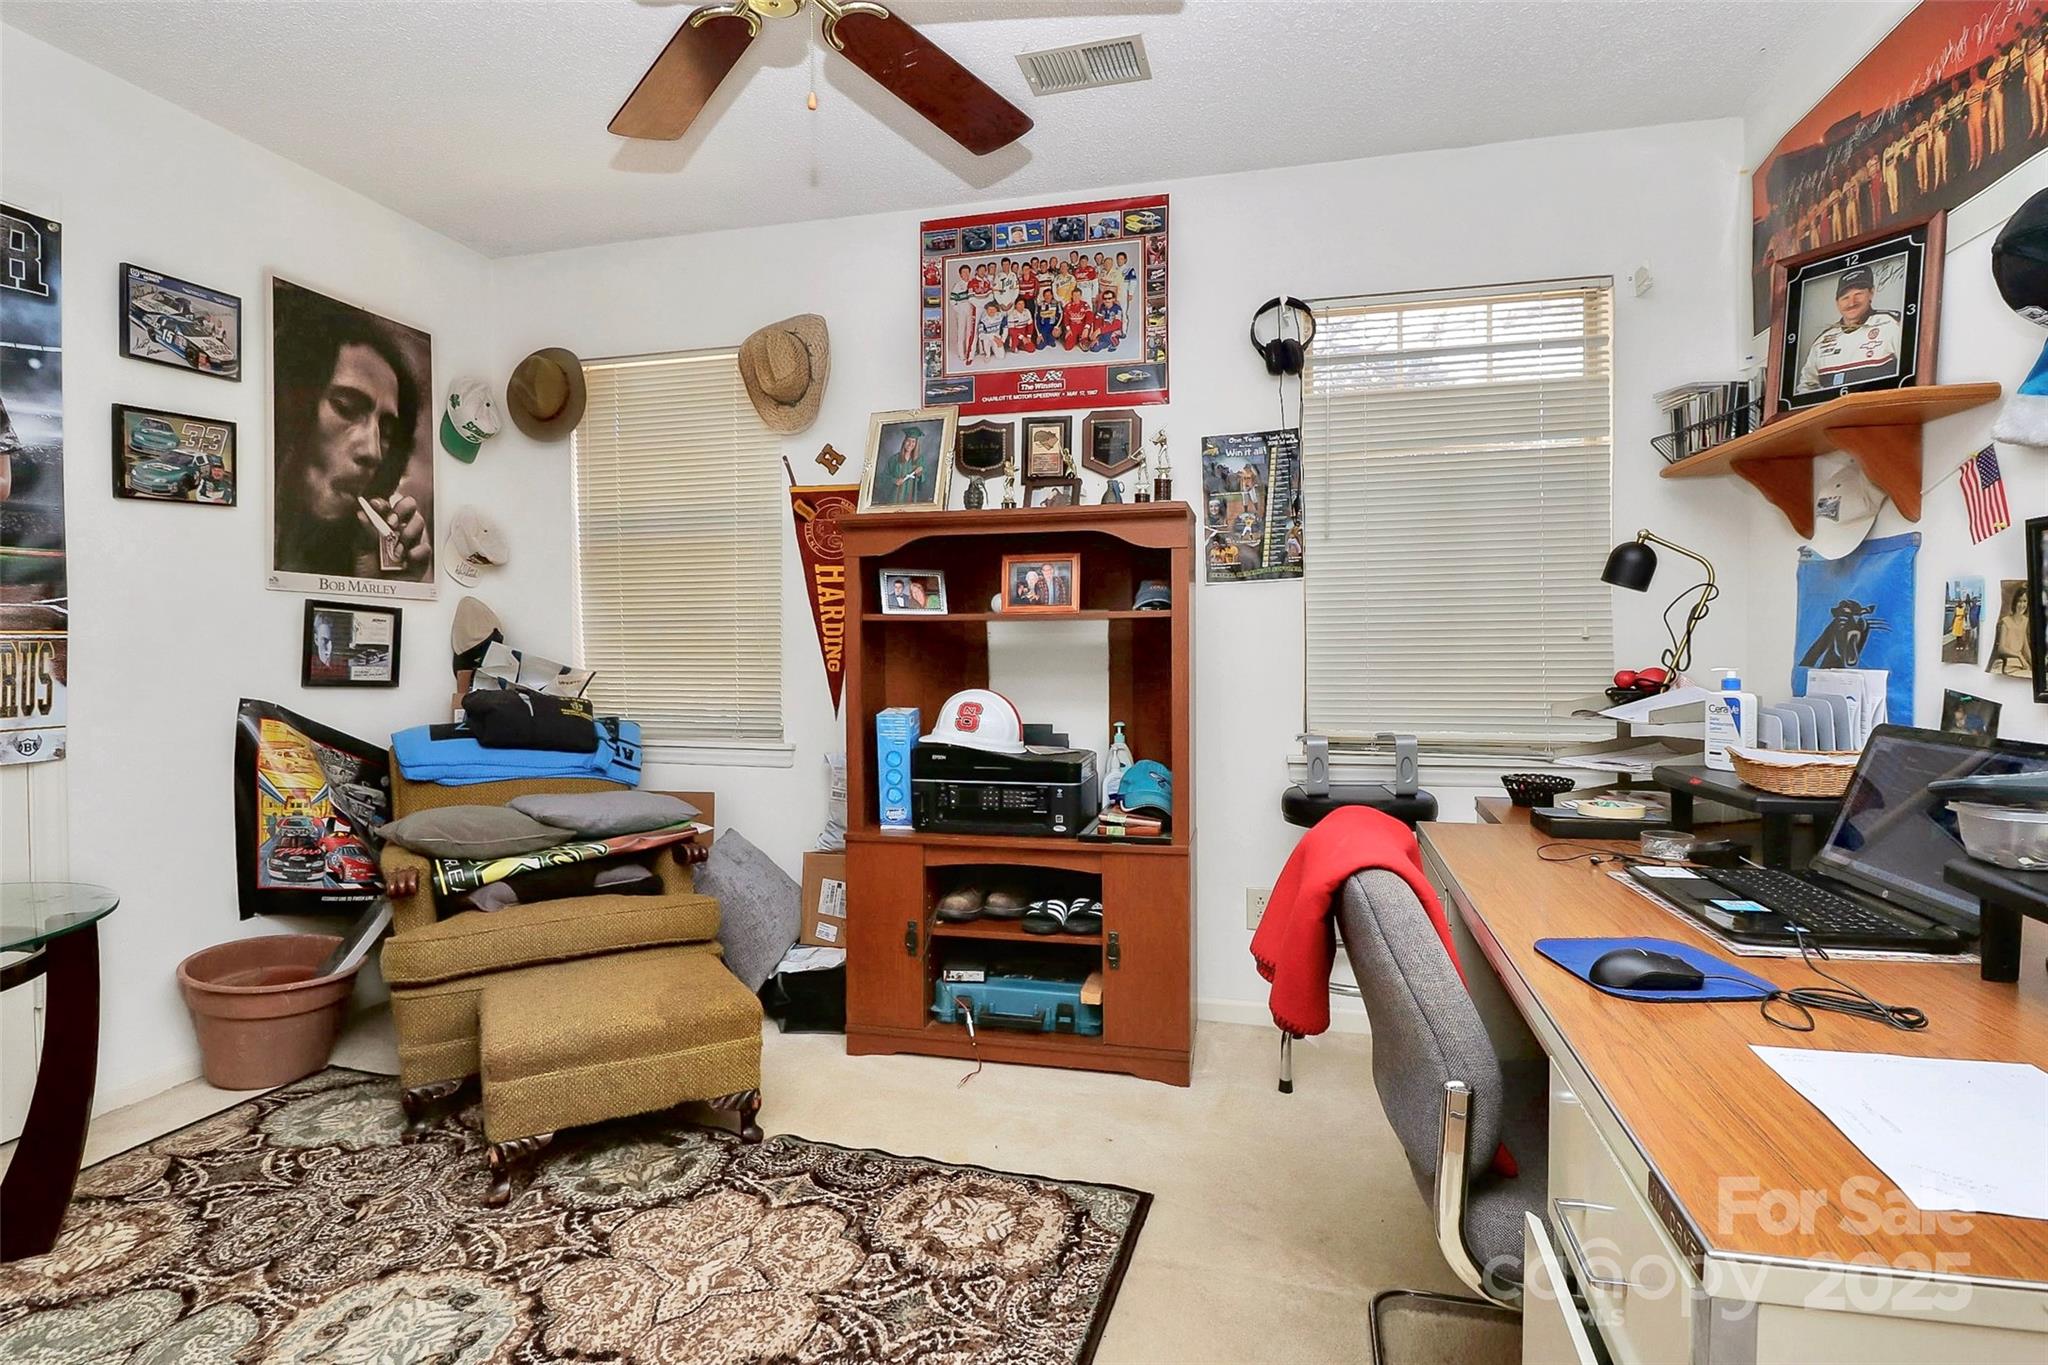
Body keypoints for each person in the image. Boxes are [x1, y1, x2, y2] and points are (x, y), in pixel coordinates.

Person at [273, 290, 429, 579]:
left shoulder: (358, 553)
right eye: (346, 407)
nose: (373, 452)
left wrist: (389, 586)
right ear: (291, 406)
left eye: (387, 431)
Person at [1795, 266, 1901, 394]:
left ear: (1871, 293)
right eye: (1845, 298)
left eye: (1858, 294)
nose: (1851, 303)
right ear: (1837, 302)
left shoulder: (1892, 324)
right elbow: (1805, 388)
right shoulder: (1822, 341)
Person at [881, 430, 935, 506]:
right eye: (908, 441)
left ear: (916, 444)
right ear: (904, 442)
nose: (910, 444)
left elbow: (925, 482)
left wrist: (920, 474)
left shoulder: (920, 460)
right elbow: (883, 477)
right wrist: (894, 480)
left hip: (910, 498)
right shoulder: (894, 459)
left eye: (913, 441)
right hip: (894, 498)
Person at [308, 611, 351, 681]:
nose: (330, 649)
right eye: (325, 640)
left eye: (335, 640)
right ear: (316, 639)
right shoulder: (309, 668)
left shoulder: (346, 667)